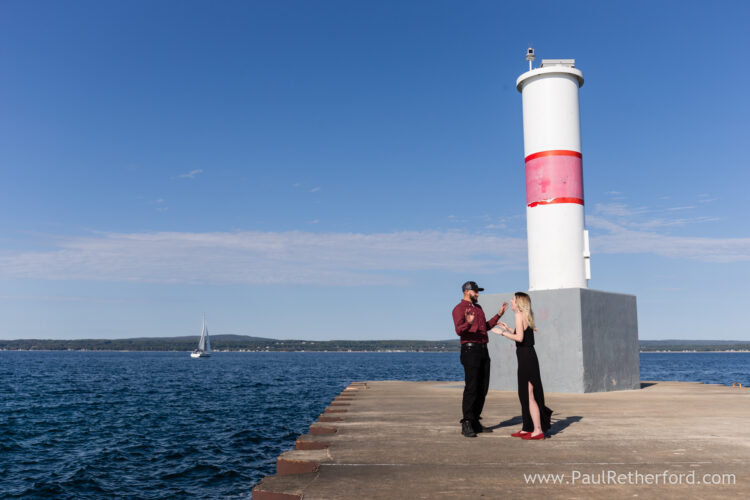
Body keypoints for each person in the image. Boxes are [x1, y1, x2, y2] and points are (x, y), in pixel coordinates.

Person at [492, 292, 552, 440]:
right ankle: (527, 427)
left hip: (526, 358)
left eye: (513, 299)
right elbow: (522, 336)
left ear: (519, 303)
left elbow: (519, 338)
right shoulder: (524, 316)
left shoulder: (518, 316)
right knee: (524, 395)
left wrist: (502, 333)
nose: (511, 301)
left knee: (529, 396)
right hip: (528, 356)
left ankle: (537, 430)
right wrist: (508, 329)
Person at [452, 281, 508, 438]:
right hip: (470, 350)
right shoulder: (459, 309)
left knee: (483, 387)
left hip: (483, 350)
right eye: (475, 291)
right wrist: (468, 323)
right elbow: (459, 330)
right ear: (467, 292)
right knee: (472, 387)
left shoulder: (478, 308)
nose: (478, 294)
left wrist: (498, 315)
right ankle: (467, 423)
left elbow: (486, 326)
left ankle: (475, 420)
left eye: (478, 291)